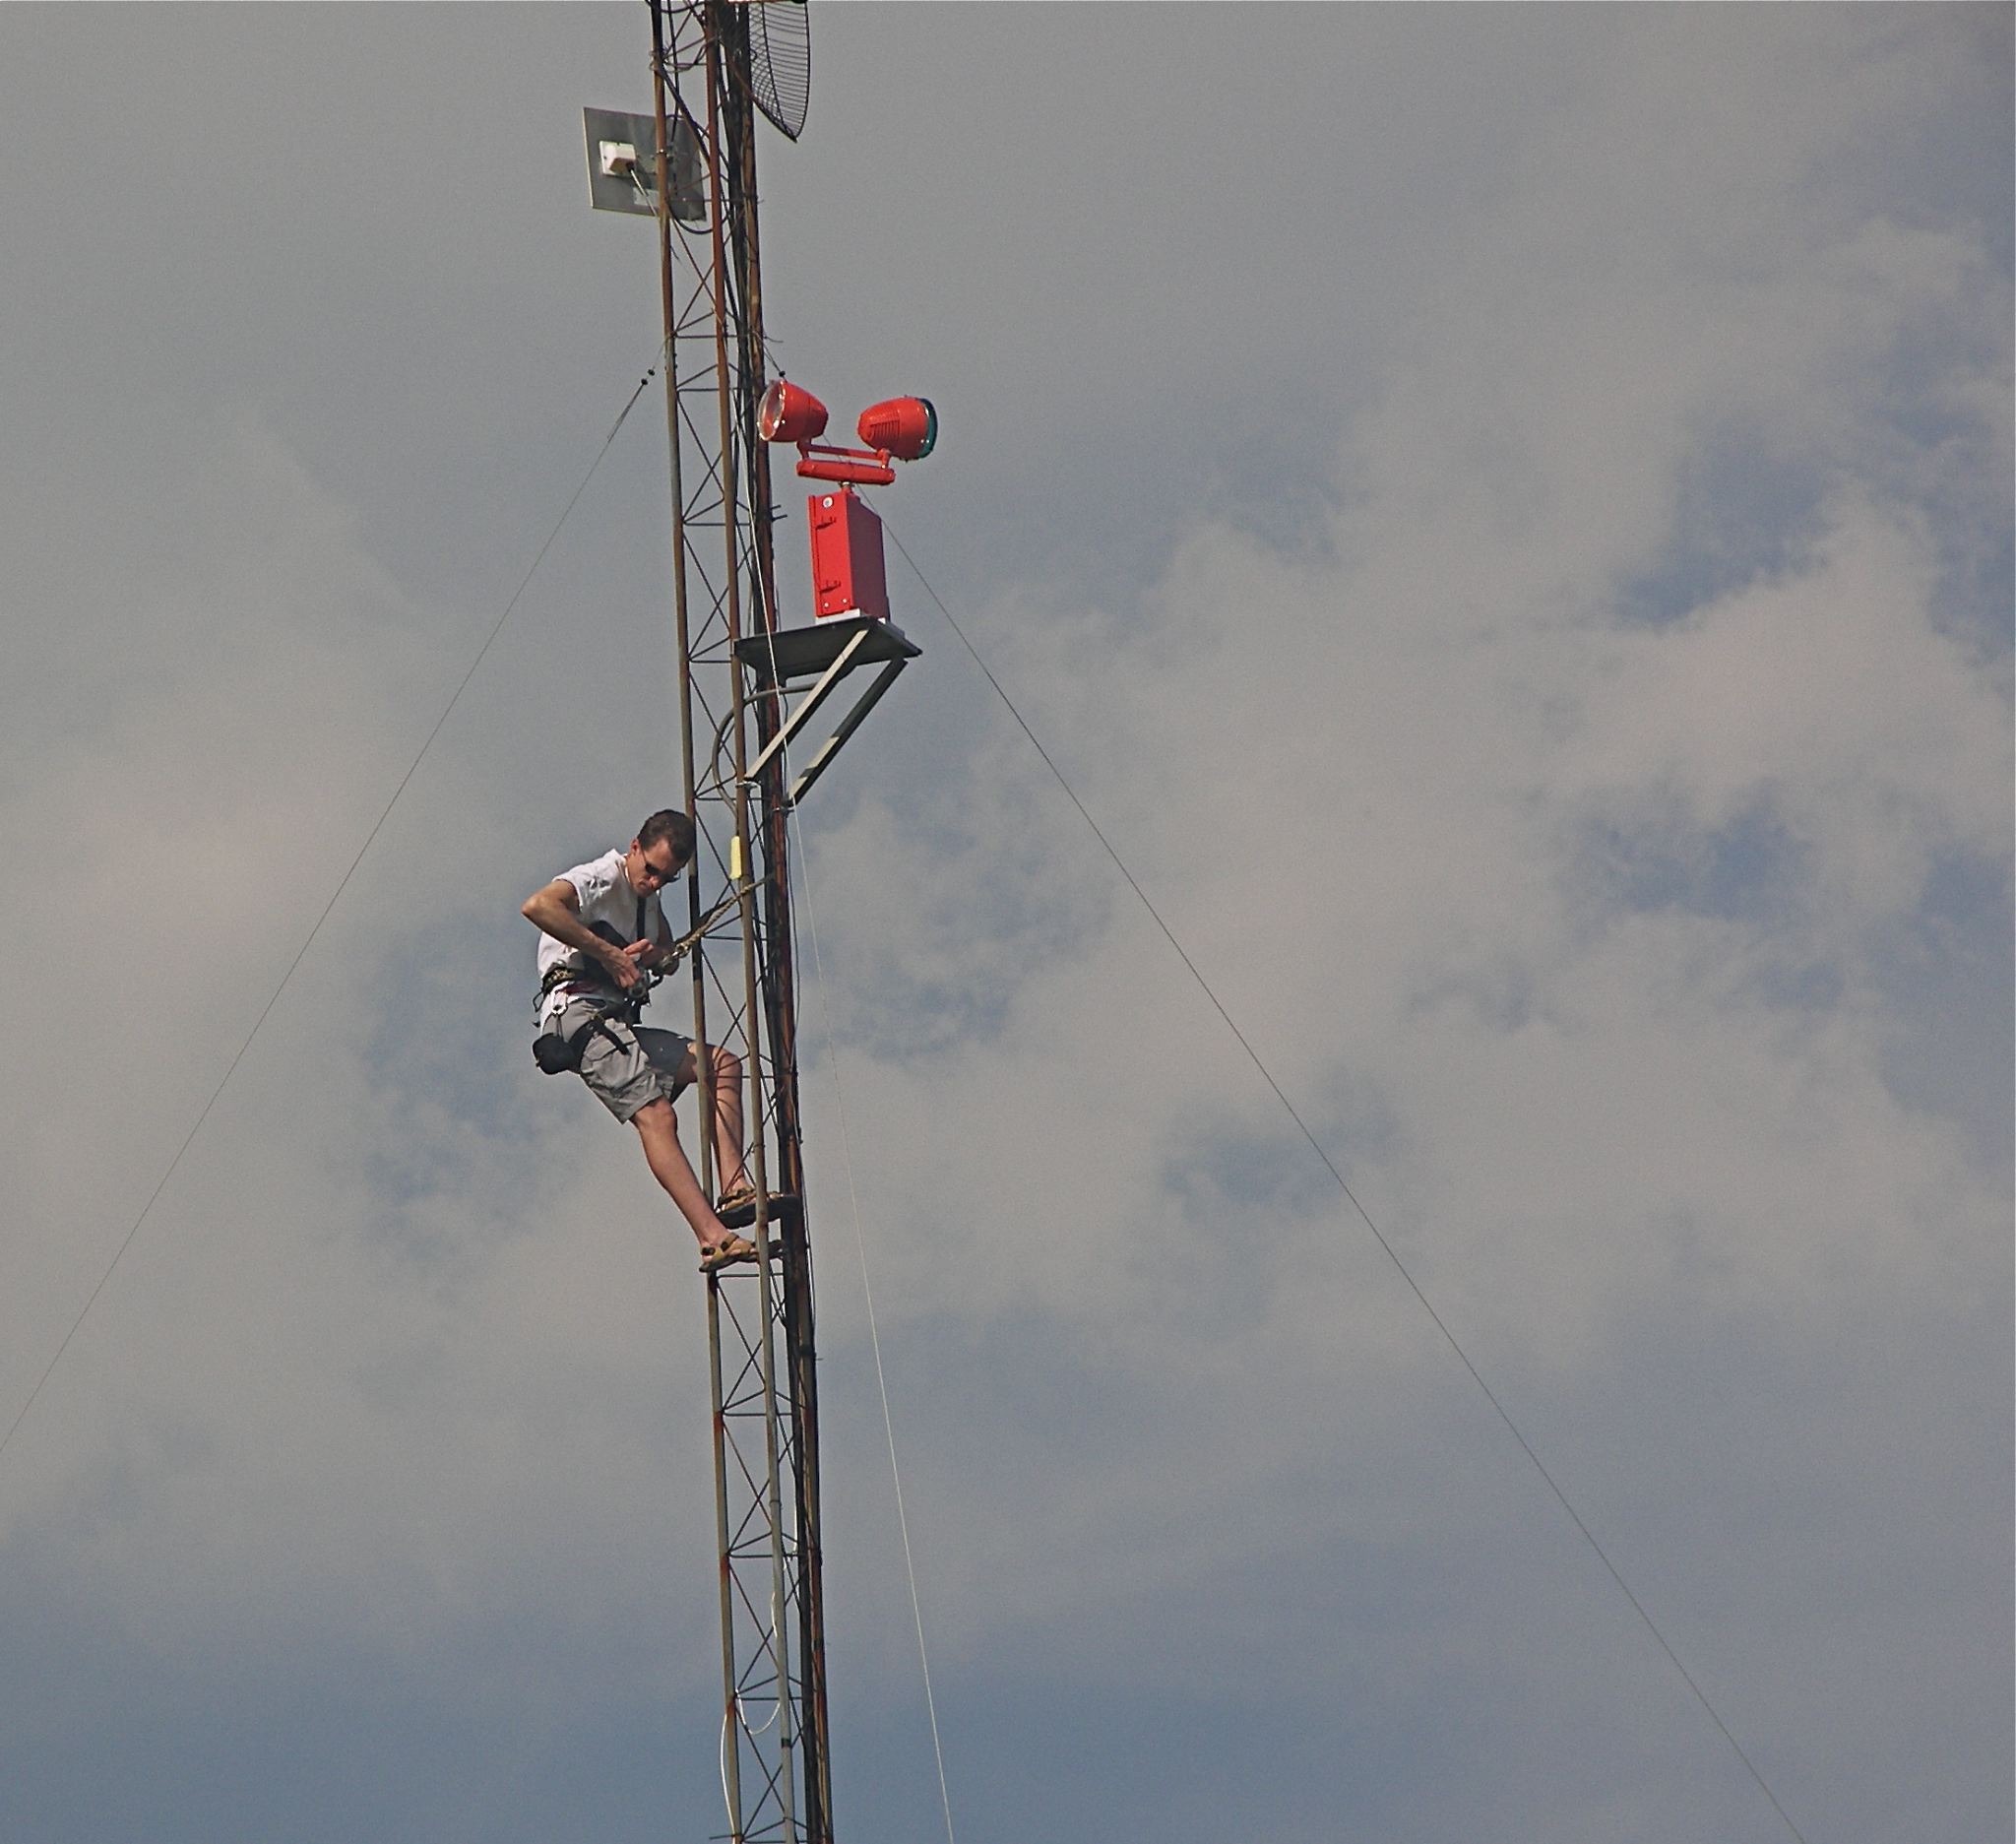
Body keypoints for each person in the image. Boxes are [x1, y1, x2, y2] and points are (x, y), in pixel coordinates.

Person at [521, 810, 760, 1272]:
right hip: (578, 1013)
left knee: (722, 1066)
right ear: (635, 847)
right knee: (657, 1116)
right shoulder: (600, 878)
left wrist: (656, 955)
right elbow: (538, 907)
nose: (654, 883)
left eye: (666, 879)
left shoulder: (647, 901)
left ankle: (735, 1188)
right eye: (650, 870)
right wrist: (610, 955)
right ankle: (713, 1239)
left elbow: (666, 951)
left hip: (615, 1020)